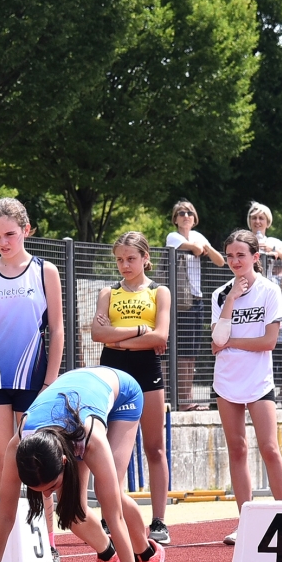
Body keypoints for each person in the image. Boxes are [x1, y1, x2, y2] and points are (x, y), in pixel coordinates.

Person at [0, 366, 164, 562]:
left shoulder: (91, 440)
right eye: (38, 491)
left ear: (65, 461)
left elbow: (115, 518)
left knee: (110, 497)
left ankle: (147, 555)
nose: (47, 496)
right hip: (68, 395)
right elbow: (4, 518)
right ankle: (107, 555)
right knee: (71, 511)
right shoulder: (18, 447)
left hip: (121, 392)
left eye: (50, 486)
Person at [0, 197, 64, 482]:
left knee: (35, 459)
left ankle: (44, 526)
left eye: (9, 234)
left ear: (26, 230)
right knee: (3, 457)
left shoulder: (45, 272)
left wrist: (50, 382)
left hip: (34, 381)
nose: (2, 242)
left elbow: (57, 330)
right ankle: (9, 525)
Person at [90, 231, 171, 541]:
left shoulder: (158, 292)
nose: (125, 265)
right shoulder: (107, 293)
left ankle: (159, 521)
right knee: (112, 449)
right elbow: (98, 334)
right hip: (112, 370)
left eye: (131, 259)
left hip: (146, 369)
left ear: (145, 259)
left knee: (154, 446)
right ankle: (112, 513)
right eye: (120, 260)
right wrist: (139, 331)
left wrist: (118, 338)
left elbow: (160, 336)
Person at [212, 229, 282, 541]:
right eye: (230, 256)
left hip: (259, 383)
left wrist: (232, 341)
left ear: (256, 258)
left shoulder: (270, 291)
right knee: (237, 448)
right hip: (226, 381)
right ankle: (245, 521)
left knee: (270, 448)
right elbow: (216, 342)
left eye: (241, 255)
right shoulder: (221, 294)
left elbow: (268, 342)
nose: (234, 261)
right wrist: (231, 299)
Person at [166, 199, 224, 406]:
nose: (186, 215)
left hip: (196, 299)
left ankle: (186, 397)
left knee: (191, 352)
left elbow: (220, 261)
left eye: (190, 212)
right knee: (178, 351)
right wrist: (201, 247)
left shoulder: (198, 236)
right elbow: (196, 250)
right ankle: (182, 399)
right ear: (175, 218)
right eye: (181, 212)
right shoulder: (173, 237)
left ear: (195, 217)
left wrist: (206, 246)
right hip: (179, 301)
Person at [245, 201, 282, 393]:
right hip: (246, 296)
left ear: (268, 222)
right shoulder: (243, 239)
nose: (257, 221)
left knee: (276, 348)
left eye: (261, 218)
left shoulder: (274, 242)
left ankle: (278, 390)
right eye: (254, 217)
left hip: (269, 297)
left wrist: (274, 252)